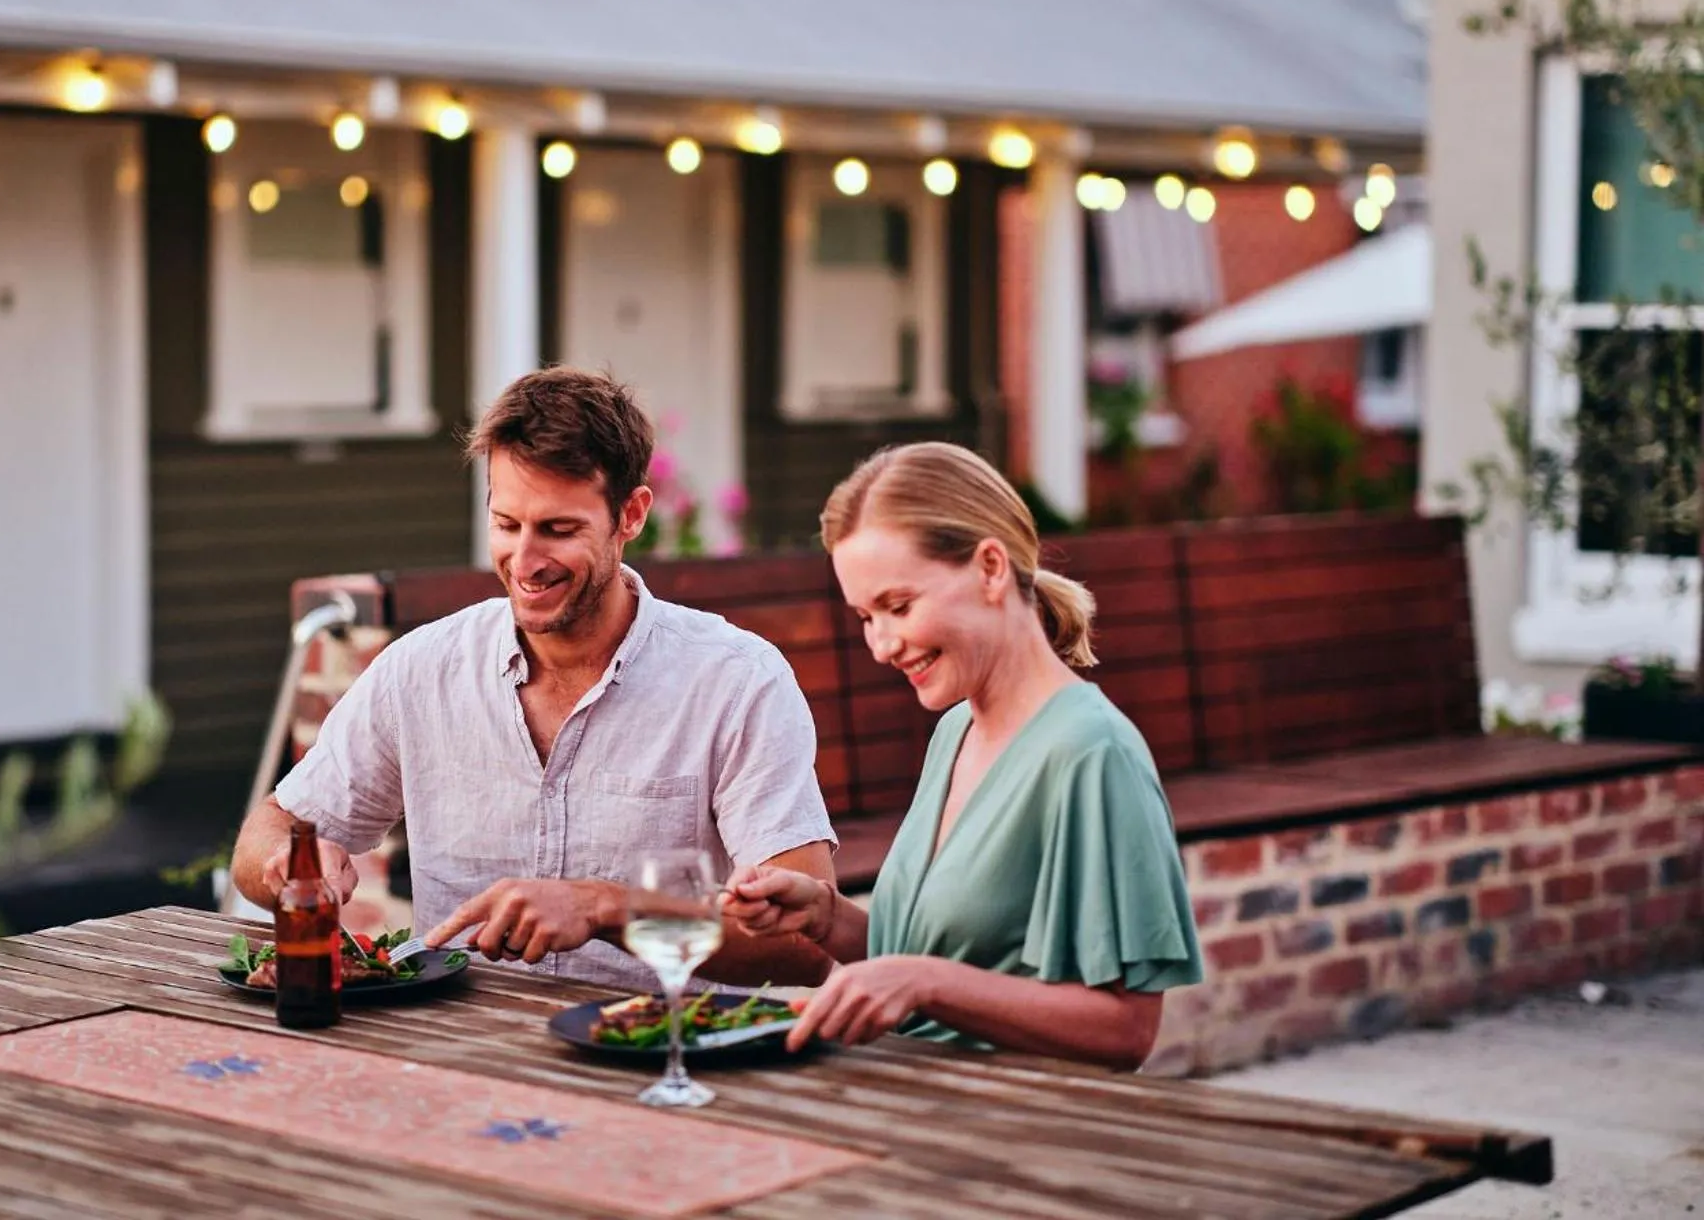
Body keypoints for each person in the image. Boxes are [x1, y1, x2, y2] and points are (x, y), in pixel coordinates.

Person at [230, 367, 837, 990]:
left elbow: (803, 945)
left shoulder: (736, 682)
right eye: (506, 524)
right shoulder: (421, 668)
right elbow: (267, 833)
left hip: (653, 1037)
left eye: (558, 530)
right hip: (452, 1034)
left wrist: (607, 909)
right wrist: (286, 861)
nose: (524, 562)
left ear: (631, 515)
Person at [722, 442, 1201, 1069]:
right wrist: (824, 916)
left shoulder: (1092, 752)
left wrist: (925, 983)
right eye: (866, 616)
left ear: (991, 568)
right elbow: (937, 960)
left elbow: (1126, 1031)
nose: (881, 645)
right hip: (913, 1102)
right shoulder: (956, 731)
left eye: (898, 607)